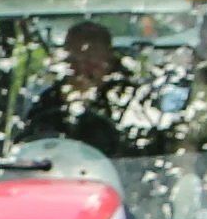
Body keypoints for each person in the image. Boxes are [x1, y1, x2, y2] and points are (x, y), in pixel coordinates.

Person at [17, 21, 139, 156]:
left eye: (90, 59)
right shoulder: (49, 100)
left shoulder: (133, 98)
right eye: (73, 59)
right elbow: (29, 144)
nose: (81, 68)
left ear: (109, 59)